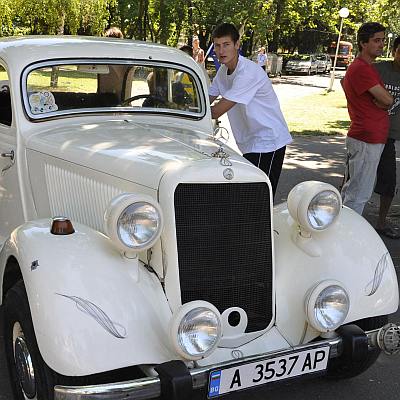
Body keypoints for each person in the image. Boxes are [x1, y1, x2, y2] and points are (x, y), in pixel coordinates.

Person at [208, 23, 292, 198]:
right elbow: (204, 101)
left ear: (237, 44)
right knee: (247, 197)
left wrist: (194, 111)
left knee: (259, 197)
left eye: (226, 44)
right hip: (250, 142)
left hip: (267, 141)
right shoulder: (223, 72)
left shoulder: (248, 72)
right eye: (217, 45)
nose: (221, 50)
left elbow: (216, 111)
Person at [341, 22, 393, 215]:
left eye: (383, 40)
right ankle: (349, 237)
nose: (381, 45)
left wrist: (384, 101)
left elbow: (385, 100)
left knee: (353, 190)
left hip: (369, 137)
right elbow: (387, 99)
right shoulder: (362, 68)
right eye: (376, 40)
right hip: (366, 138)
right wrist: (385, 101)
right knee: (358, 194)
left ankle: (344, 231)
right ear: (363, 43)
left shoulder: (366, 68)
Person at [373, 35, 400, 238]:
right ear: (394, 52)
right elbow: (349, 83)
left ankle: (382, 223)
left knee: (390, 180)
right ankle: (345, 216)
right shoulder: (379, 69)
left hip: (391, 135)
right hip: (375, 133)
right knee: (354, 178)